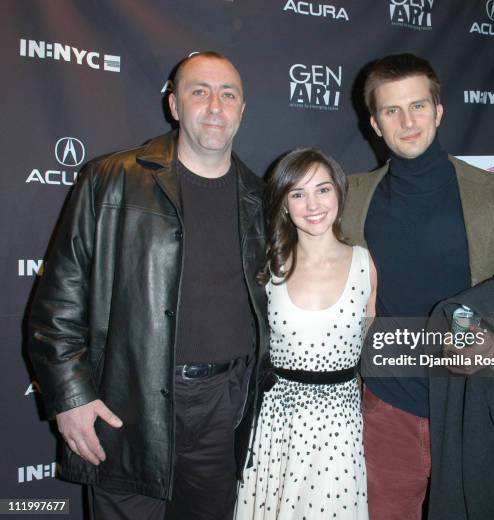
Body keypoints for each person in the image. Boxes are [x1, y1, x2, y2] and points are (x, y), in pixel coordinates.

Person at [27, 51, 268, 520]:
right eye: (199, 91)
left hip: (224, 411)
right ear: (174, 105)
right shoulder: (111, 179)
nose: (215, 105)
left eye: (228, 94)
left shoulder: (260, 197)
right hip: (126, 406)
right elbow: (56, 305)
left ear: (243, 109)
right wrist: (70, 398)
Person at [342, 53, 494, 520]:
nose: (407, 121)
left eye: (418, 106)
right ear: (375, 125)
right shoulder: (351, 197)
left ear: (439, 111)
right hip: (388, 410)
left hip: (474, 409)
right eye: (391, 111)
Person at [234, 148, 377, 520]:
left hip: (339, 429)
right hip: (277, 425)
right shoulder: (268, 266)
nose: (312, 204)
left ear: (339, 194)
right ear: (283, 204)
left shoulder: (365, 264)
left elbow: (371, 342)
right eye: (297, 193)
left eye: (323, 189)